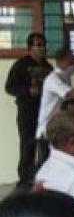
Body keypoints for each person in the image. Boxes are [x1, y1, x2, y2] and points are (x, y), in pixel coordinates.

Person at [5, 32, 52, 189]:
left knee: (45, 145)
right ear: (30, 47)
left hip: (45, 112)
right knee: (28, 145)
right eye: (38, 45)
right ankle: (25, 179)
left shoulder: (47, 66)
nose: (41, 48)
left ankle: (44, 177)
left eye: (43, 45)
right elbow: (9, 87)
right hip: (27, 112)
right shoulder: (20, 65)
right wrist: (27, 91)